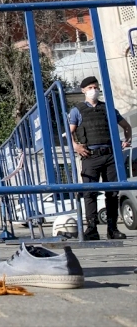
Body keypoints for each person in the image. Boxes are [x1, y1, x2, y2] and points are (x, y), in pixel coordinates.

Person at [69, 76, 132, 240]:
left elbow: (126, 126)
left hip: (109, 154)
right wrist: (76, 146)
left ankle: (113, 229)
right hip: (90, 156)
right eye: (90, 87)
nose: (93, 90)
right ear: (83, 90)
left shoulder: (108, 108)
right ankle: (91, 229)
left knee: (112, 193)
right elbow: (69, 133)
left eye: (95, 87)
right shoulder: (77, 110)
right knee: (90, 193)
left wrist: (127, 141)